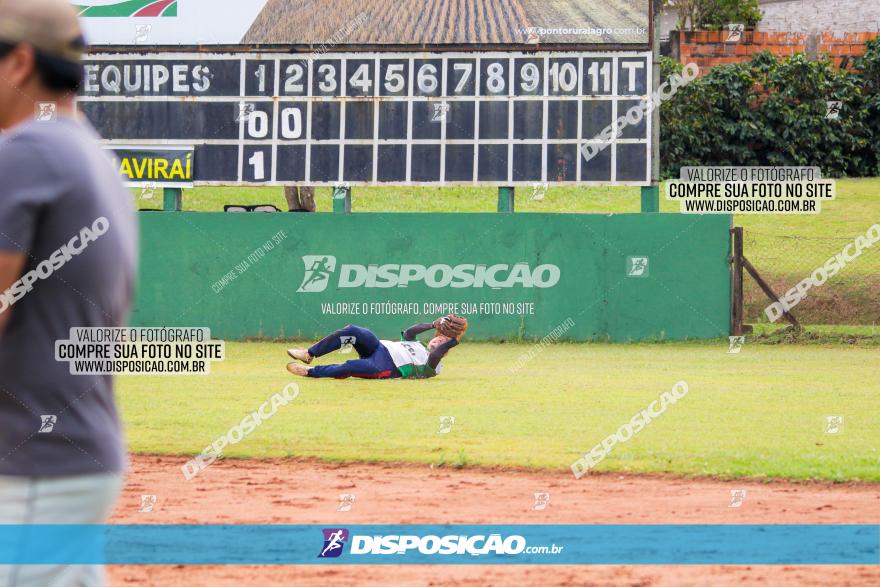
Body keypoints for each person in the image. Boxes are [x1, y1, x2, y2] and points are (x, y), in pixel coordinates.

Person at [0, 0, 137, 584]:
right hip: (70, 456)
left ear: (19, 62)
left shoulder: (27, 153)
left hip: (33, 466)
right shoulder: (88, 153)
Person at [286, 315, 468, 379]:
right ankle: (309, 353)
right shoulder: (417, 344)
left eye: (443, 343)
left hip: (387, 367)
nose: (438, 341)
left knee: (350, 366)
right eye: (438, 339)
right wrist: (434, 324)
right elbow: (410, 331)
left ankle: (310, 372)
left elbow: (437, 353)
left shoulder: (435, 366)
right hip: (378, 348)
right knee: (354, 331)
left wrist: (454, 339)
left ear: (446, 350)